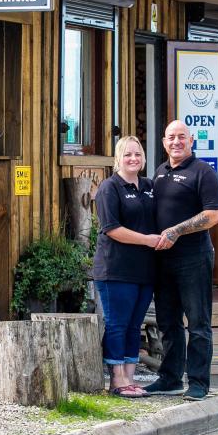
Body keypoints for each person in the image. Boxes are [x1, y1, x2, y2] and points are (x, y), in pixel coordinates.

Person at [144, 120, 218, 401]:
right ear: (164, 142)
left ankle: (199, 382)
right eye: (171, 137)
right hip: (163, 260)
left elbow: (215, 214)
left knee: (198, 324)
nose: (176, 142)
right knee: (168, 322)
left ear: (191, 141)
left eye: (181, 137)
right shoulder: (160, 172)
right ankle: (170, 378)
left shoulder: (203, 173)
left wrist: (177, 230)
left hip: (194, 258)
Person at [93, 135, 163, 398]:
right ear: (118, 159)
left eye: (137, 154)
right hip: (116, 269)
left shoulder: (149, 186)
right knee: (117, 324)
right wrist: (147, 240)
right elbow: (112, 229)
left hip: (144, 270)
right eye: (127, 155)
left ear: (144, 158)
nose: (133, 159)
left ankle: (131, 380)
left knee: (135, 325)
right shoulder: (110, 188)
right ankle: (116, 381)